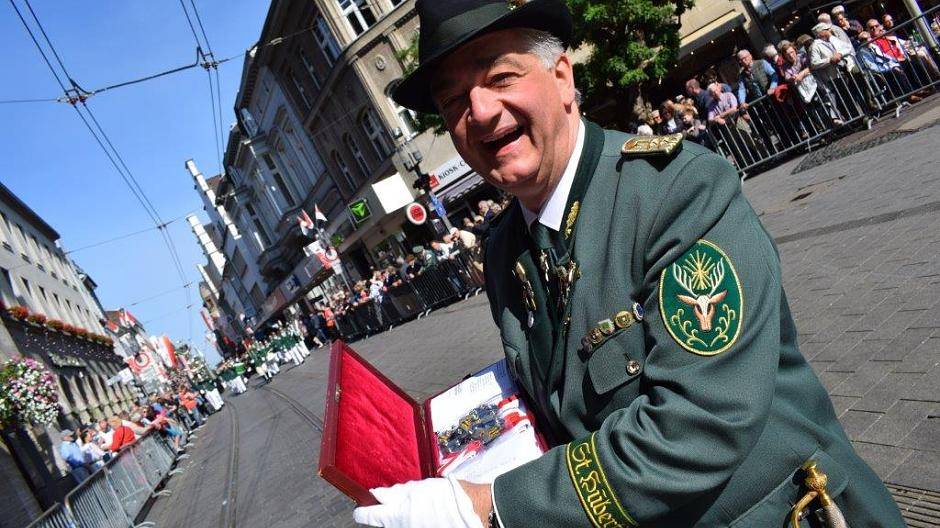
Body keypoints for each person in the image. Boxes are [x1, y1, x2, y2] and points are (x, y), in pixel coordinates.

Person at [355, 1, 907, 527]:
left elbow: (699, 424)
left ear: (562, 78)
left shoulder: (677, 192)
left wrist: (493, 506)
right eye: (453, 101)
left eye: (500, 77)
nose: (478, 112)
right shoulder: (504, 251)